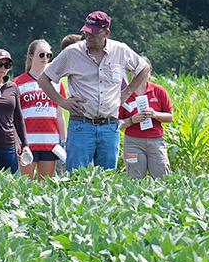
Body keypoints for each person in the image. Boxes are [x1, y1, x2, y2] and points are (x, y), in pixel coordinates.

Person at [39, 10, 151, 171]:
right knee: (76, 177)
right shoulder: (72, 52)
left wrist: (126, 93)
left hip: (110, 126)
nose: (88, 37)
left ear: (106, 32)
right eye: (86, 32)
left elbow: (144, 68)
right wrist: (62, 101)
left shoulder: (120, 50)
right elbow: (44, 79)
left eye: (93, 33)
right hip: (81, 125)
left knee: (106, 179)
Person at [14, 40, 65, 179]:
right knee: (25, 185)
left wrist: (63, 140)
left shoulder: (56, 83)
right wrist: (16, 140)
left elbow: (59, 114)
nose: (45, 58)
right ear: (31, 56)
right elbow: (14, 117)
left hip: (50, 142)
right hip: (27, 143)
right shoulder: (18, 83)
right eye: (41, 55)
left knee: (46, 187)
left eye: (49, 55)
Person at [118, 74, 174, 179]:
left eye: (144, 70)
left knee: (162, 177)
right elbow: (117, 124)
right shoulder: (125, 93)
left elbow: (170, 117)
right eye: (137, 70)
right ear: (132, 73)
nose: (141, 73)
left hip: (156, 142)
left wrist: (155, 114)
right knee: (135, 179)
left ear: (149, 72)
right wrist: (132, 120)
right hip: (133, 143)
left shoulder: (158, 91)